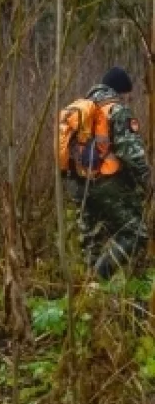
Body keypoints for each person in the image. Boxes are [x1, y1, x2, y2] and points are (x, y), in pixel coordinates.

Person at [61, 67, 151, 279]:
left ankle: (91, 289)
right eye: (128, 94)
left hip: (79, 185)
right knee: (136, 234)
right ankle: (101, 273)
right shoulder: (116, 110)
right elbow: (131, 153)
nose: (128, 99)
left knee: (91, 241)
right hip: (107, 184)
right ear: (121, 90)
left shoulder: (82, 108)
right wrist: (148, 180)